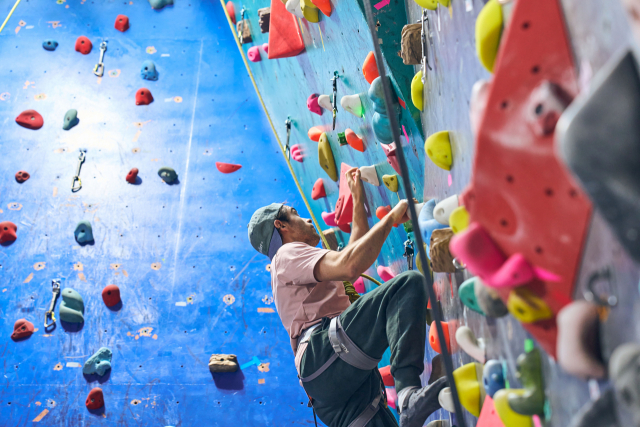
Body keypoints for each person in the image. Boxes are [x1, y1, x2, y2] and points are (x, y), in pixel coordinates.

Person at [248, 167, 448, 427]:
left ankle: (409, 402)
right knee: (407, 285)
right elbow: (350, 264)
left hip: (331, 389)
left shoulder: (295, 267)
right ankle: (408, 395)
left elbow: (354, 248)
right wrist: (391, 217)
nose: (308, 220)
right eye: (296, 214)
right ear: (281, 225)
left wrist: (356, 197)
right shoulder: (287, 255)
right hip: (326, 356)